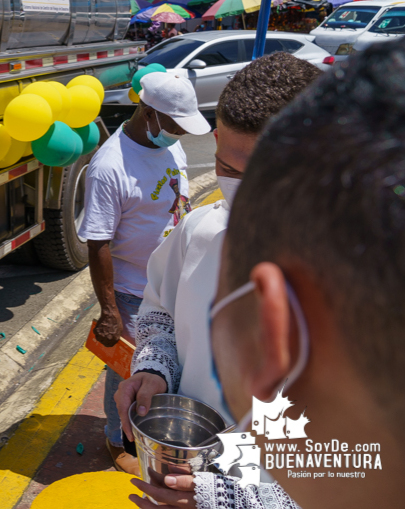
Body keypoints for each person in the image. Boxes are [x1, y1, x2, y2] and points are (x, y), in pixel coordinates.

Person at [117, 53, 322, 508]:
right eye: (228, 172)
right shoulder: (200, 231)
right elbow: (160, 315)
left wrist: (230, 500)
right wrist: (153, 369)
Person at [78, 71, 211, 474]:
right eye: (173, 125)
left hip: (176, 284)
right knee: (129, 372)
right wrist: (109, 311)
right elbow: (98, 242)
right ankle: (119, 440)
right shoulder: (110, 167)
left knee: (170, 364)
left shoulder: (171, 148)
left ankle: (155, 429)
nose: (179, 135)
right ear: (148, 112)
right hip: (135, 292)